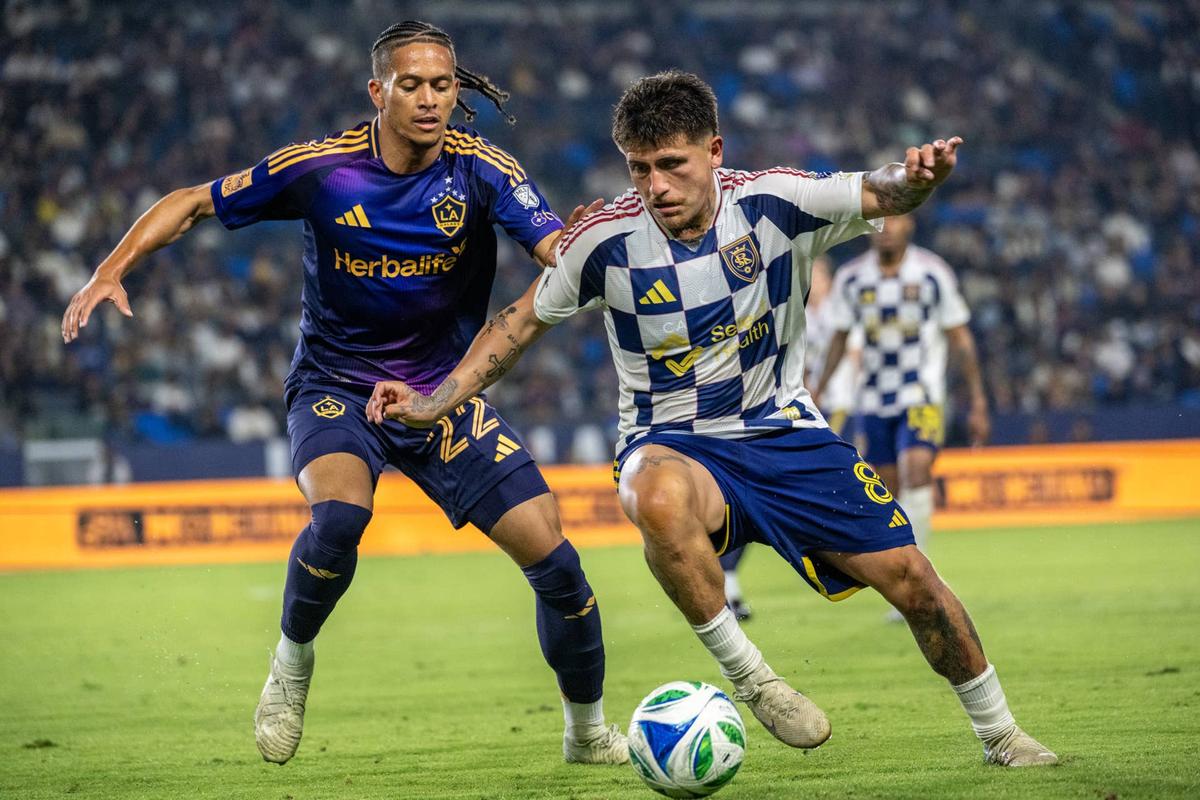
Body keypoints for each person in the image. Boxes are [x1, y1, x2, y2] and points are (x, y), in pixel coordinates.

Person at [369, 71, 1057, 767]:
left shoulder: (775, 201)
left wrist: (918, 177)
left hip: (783, 431)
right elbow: (515, 325)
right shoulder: (602, 243)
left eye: (672, 164)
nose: (656, 186)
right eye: (640, 169)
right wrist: (431, 402)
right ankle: (753, 680)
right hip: (673, 442)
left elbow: (881, 191)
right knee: (652, 494)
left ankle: (1002, 734)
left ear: (715, 151)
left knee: (913, 580)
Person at [61, 21, 627, 767]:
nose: (430, 100)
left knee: (558, 565)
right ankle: (291, 664)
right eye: (411, 85)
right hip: (336, 387)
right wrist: (111, 269)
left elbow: (553, 249)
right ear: (377, 91)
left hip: (439, 398)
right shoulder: (324, 169)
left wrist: (577, 242)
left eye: (442, 85)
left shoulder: (484, 169)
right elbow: (194, 202)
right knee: (340, 516)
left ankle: (587, 734)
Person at [813, 213, 989, 624]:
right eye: (879, 220)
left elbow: (960, 336)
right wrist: (818, 389)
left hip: (922, 396)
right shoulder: (852, 279)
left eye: (895, 220)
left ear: (911, 223)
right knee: (888, 489)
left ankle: (923, 581)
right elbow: (839, 337)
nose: (887, 227)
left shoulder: (932, 273)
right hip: (872, 400)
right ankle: (908, 578)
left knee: (917, 468)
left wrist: (978, 401)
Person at [718, 256, 858, 622]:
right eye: (813, 274)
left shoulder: (841, 312)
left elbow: (857, 358)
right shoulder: (795, 312)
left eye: (821, 275)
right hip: (804, 412)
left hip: (841, 405)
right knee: (775, 495)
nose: (816, 281)